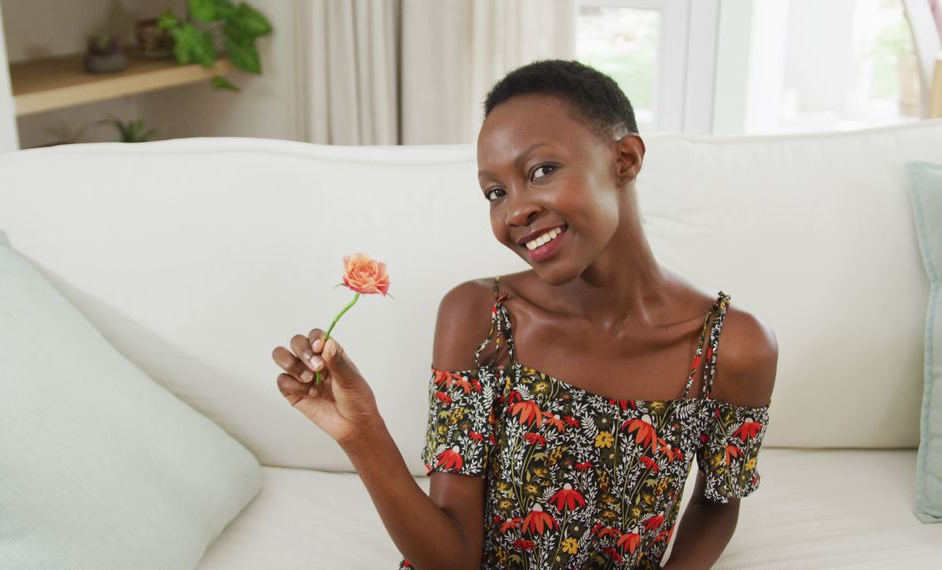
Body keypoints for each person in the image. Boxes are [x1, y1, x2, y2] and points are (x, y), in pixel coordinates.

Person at [272, 59, 778, 569]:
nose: (514, 211)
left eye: (541, 171)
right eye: (496, 193)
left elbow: (717, 503)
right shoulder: (480, 318)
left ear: (624, 159)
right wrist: (362, 435)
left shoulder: (732, 346)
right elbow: (450, 559)